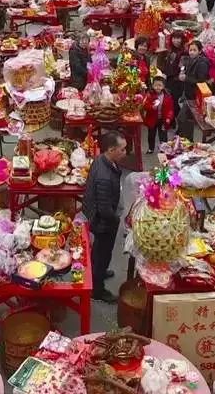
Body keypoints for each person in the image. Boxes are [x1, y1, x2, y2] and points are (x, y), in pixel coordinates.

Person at [84, 130, 126, 303]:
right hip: (103, 222)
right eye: (122, 149)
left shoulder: (102, 160)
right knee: (103, 253)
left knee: (99, 251)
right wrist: (118, 220)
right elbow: (105, 210)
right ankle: (98, 289)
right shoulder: (104, 177)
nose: (125, 152)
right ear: (110, 150)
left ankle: (96, 273)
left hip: (99, 216)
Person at [156, 31, 187, 118]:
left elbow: (182, 67)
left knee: (174, 101)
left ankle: (174, 119)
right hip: (168, 78)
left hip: (176, 81)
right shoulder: (170, 50)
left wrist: (178, 76)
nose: (175, 41)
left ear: (182, 40)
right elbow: (167, 63)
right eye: (174, 38)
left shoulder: (183, 53)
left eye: (178, 38)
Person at [142, 77, 174, 154]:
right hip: (152, 119)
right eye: (156, 85)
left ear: (163, 86)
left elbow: (171, 109)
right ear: (152, 86)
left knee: (163, 135)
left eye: (160, 85)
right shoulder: (149, 95)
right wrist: (151, 107)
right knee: (151, 135)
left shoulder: (167, 96)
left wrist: (169, 118)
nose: (157, 87)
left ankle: (163, 149)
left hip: (163, 119)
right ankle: (151, 148)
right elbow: (145, 105)